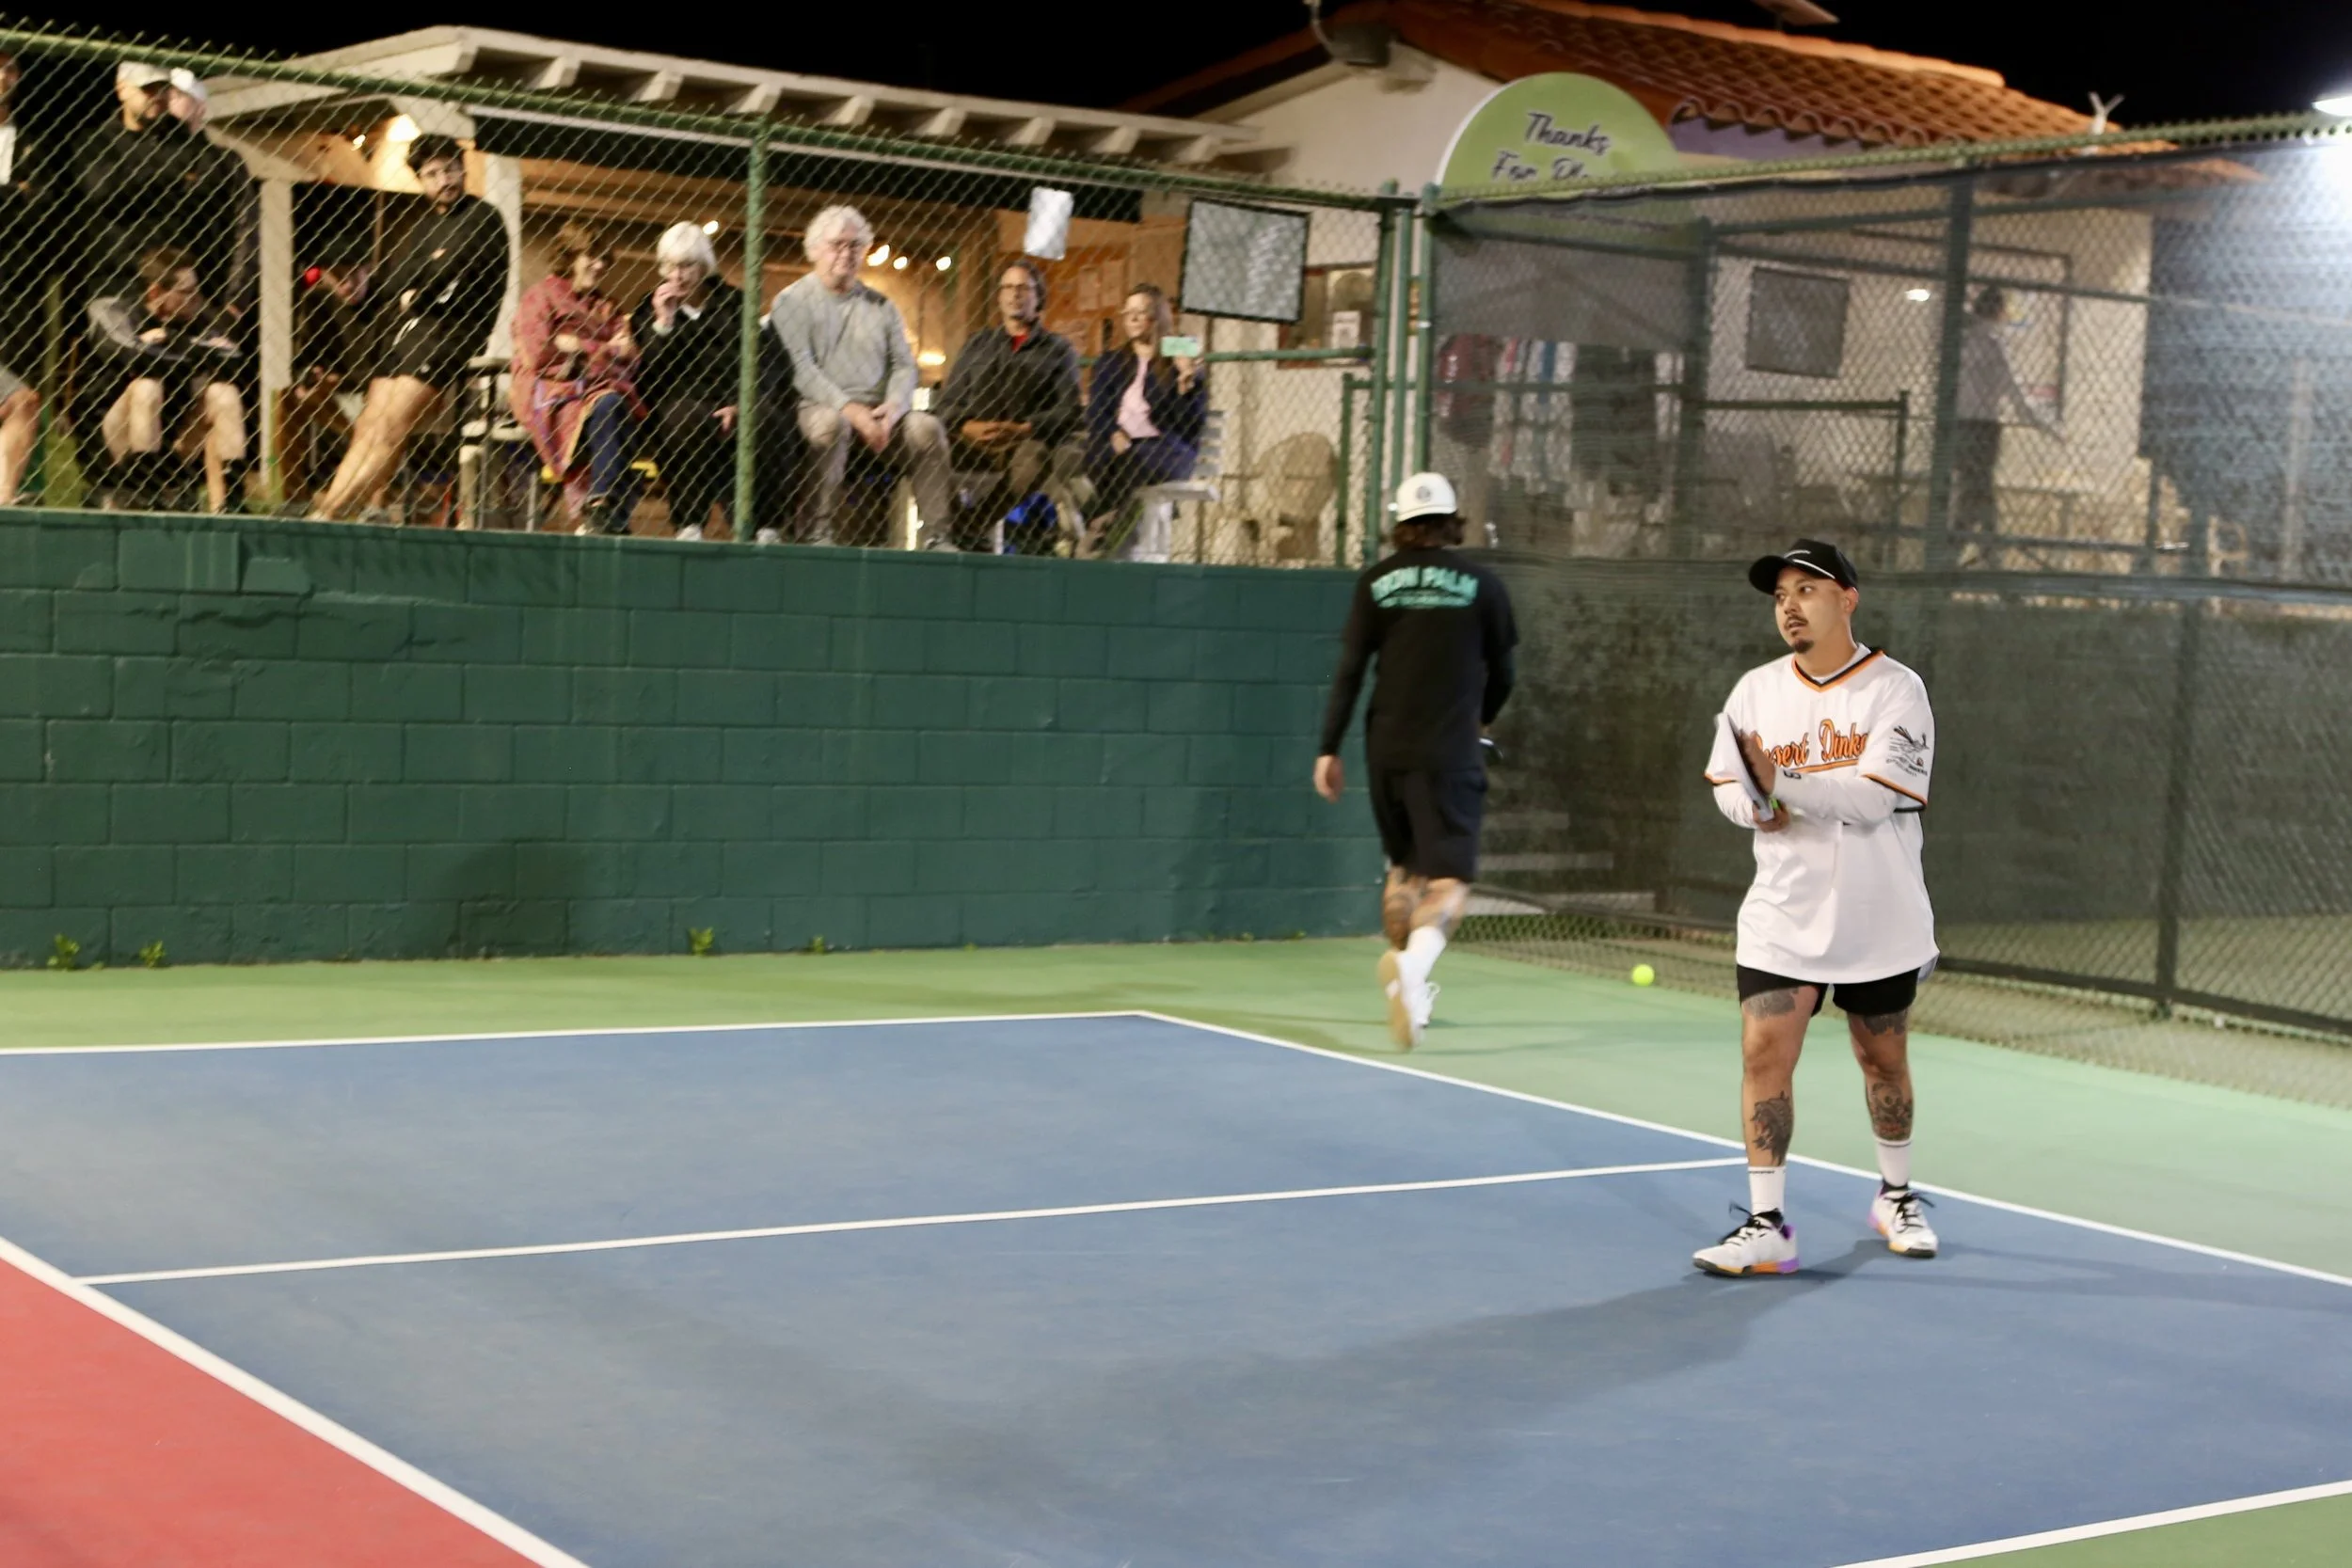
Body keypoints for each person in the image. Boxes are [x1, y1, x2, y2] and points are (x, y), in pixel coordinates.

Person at [1692, 537, 1940, 1277]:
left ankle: (1896, 1195)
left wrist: (1783, 784)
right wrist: (1755, 807)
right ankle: (1767, 1224)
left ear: (1847, 599)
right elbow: (1728, 784)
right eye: (1780, 596)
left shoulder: (1897, 690)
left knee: (1881, 1057)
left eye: (1806, 589)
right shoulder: (1754, 690)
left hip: (1879, 917)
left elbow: (1872, 800)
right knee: (1763, 1054)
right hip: (1782, 915)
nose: (1790, 607)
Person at [1314, 472, 1518, 1049]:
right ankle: (1414, 968)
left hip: (1386, 749)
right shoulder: (1483, 585)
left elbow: (1350, 672)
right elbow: (1504, 673)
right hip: (1449, 750)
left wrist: (1328, 748)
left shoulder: (1375, 582)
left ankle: (1405, 988)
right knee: (1450, 880)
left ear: (1399, 523)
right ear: (1453, 522)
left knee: (1404, 868)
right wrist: (1482, 718)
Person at [310, 134, 510, 523]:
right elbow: (400, 275)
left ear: (462, 168)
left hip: (451, 333)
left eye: (449, 170)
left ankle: (330, 516)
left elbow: (449, 268)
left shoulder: (482, 217)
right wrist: (390, 290)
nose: (444, 180)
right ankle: (342, 507)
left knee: (390, 427)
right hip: (410, 333)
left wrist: (418, 291)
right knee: (368, 425)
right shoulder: (424, 227)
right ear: (420, 180)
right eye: (432, 174)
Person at [769, 204, 949, 546]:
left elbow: (904, 365)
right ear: (815, 249)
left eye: (855, 245)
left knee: (927, 429)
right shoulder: (792, 301)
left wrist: (894, 407)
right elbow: (800, 369)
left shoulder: (882, 305)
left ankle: (937, 536)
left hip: (880, 414)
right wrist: (850, 410)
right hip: (815, 407)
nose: (846, 253)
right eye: (837, 244)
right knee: (831, 425)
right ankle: (817, 530)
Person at [629, 221, 791, 541]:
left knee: (765, 418)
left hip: (734, 396)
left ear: (704, 266)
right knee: (685, 420)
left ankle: (765, 524)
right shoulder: (649, 307)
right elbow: (649, 375)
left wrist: (739, 403)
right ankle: (690, 523)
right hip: (682, 400)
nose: (678, 276)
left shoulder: (735, 303)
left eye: (687, 266)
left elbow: (767, 360)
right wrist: (664, 322)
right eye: (670, 266)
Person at [934, 258, 1085, 552]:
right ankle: (959, 524)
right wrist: (967, 426)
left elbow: (1069, 410)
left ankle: (971, 527)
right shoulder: (978, 344)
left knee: (1035, 457)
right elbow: (948, 402)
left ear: (1038, 297)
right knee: (930, 447)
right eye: (1008, 287)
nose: (1015, 294)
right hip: (973, 440)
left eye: (1023, 288)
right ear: (999, 296)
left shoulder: (1058, 349)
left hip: (1024, 441)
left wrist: (1025, 428)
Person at [81, 245, 247, 512]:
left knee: (224, 394)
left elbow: (233, 358)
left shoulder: (201, 317)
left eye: (196, 289)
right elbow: (132, 355)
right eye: (185, 292)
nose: (195, 298)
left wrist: (169, 341)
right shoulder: (117, 310)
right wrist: (196, 350)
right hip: (115, 443)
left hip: (175, 441)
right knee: (147, 387)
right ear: (156, 292)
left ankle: (230, 502)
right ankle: (144, 493)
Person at [512, 220, 643, 536]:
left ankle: (602, 509)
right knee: (611, 404)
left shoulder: (606, 306)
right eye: (591, 256)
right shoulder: (540, 297)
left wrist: (576, 346)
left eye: (604, 259)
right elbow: (539, 355)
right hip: (553, 390)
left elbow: (631, 357)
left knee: (616, 404)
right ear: (569, 255)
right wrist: (604, 350)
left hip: (601, 390)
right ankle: (604, 507)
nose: (600, 266)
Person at [1083, 282, 1206, 557]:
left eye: (1142, 312)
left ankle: (1103, 530)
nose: (1134, 318)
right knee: (1092, 455)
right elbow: (1097, 411)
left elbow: (1191, 426)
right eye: (1129, 313)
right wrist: (1113, 432)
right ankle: (1107, 525)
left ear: (1158, 316)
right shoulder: (1111, 361)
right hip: (1120, 446)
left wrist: (1186, 384)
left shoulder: (1177, 354)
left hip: (1167, 449)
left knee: (1136, 460)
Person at [1952, 285, 2062, 547]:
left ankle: (1977, 547)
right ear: (2000, 312)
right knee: (1979, 489)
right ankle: (1977, 548)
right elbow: (2017, 396)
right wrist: (2048, 427)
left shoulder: (1962, 345)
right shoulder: (1994, 346)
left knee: (1974, 489)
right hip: (1984, 427)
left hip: (1960, 424)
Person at [0, 51, 57, 505]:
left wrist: (16, 199)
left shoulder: (34, 143)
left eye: (9, 67)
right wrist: (13, 195)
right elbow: (21, 201)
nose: (2, 75)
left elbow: (42, 209)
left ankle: (9, 495)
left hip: (16, 285)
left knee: (20, 394)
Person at [284, 243, 373, 500]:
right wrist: (310, 375)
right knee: (287, 399)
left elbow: (387, 368)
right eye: (338, 277)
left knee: (377, 400)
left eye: (353, 275)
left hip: (372, 391)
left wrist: (340, 379)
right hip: (334, 393)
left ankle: (373, 503)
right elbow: (303, 357)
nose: (347, 286)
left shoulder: (384, 301)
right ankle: (295, 497)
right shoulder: (317, 302)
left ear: (367, 270)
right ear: (324, 275)